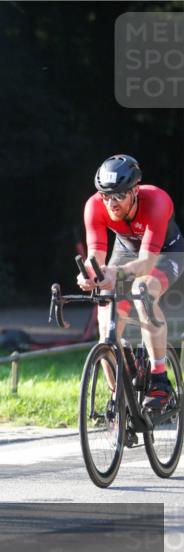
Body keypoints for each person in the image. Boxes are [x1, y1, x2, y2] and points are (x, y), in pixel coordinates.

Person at [78, 154, 181, 409]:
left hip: (165, 253)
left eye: (119, 196)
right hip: (126, 251)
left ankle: (159, 379)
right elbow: (96, 258)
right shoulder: (94, 206)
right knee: (106, 316)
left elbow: (146, 264)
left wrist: (115, 275)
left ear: (135, 190)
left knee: (142, 290)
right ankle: (118, 398)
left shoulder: (157, 200)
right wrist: (91, 275)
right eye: (105, 195)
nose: (111, 203)